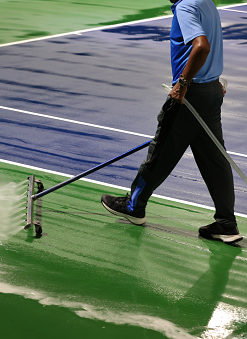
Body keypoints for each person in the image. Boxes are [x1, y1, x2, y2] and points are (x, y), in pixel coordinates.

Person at [101, 0, 243, 243]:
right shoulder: (206, 2)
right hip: (211, 92)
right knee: (214, 159)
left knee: (160, 152)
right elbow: (212, 46)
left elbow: (202, 46)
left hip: (191, 95)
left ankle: (134, 207)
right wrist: (211, 80)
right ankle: (226, 224)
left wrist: (184, 84)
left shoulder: (186, 7)